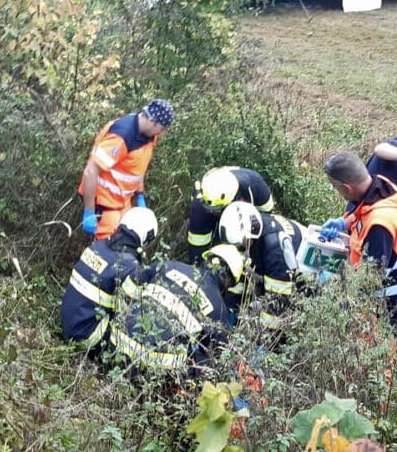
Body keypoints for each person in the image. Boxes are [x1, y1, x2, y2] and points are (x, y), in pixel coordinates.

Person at [320, 152, 397, 334]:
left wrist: (336, 280)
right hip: (387, 294)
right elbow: (364, 211)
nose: (337, 192)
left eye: (336, 188)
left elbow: (371, 278)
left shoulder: (379, 226)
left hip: (393, 302)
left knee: (385, 356)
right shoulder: (378, 185)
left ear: (346, 188)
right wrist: (345, 223)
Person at [108, 244, 246, 377]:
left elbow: (129, 289)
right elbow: (216, 353)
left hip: (116, 344)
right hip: (155, 368)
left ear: (206, 260)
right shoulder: (218, 309)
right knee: (204, 362)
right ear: (229, 280)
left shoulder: (169, 265)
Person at [60, 207, 159, 355]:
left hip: (67, 323)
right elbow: (127, 316)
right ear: (146, 238)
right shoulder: (129, 268)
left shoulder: (98, 245)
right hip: (87, 338)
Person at [78, 99, 174, 239]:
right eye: (162, 128)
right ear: (152, 121)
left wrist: (139, 195)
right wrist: (89, 212)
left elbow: (139, 165)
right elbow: (91, 171)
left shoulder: (149, 135)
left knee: (128, 245)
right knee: (110, 252)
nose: (162, 132)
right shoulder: (121, 136)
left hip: (123, 203)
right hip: (105, 204)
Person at [218, 202, 303, 333]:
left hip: (303, 270)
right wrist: (230, 311)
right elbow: (240, 279)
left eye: (240, 246)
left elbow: (277, 301)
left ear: (251, 236)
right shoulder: (251, 227)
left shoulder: (274, 249)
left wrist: (264, 339)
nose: (238, 250)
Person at [187, 166, 274, 263]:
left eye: (217, 210)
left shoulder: (256, 186)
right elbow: (197, 251)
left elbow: (267, 220)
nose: (212, 212)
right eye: (211, 210)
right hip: (204, 207)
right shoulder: (200, 206)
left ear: (234, 199)